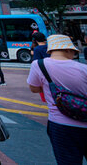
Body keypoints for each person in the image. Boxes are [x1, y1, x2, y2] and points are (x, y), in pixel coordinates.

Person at [28, 35, 87, 163]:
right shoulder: (83, 68)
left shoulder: (38, 65)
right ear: (68, 50)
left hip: (60, 124)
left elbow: (34, 88)